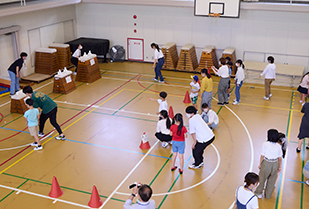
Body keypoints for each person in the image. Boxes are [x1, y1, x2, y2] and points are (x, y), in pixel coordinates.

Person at [255, 129, 282, 199]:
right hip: (274, 164)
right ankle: (268, 195)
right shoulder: (278, 146)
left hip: (267, 163)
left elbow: (262, 155)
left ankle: (259, 193)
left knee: (262, 179)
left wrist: (260, 164)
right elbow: (280, 158)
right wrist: (279, 167)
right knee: (271, 181)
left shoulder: (265, 144)